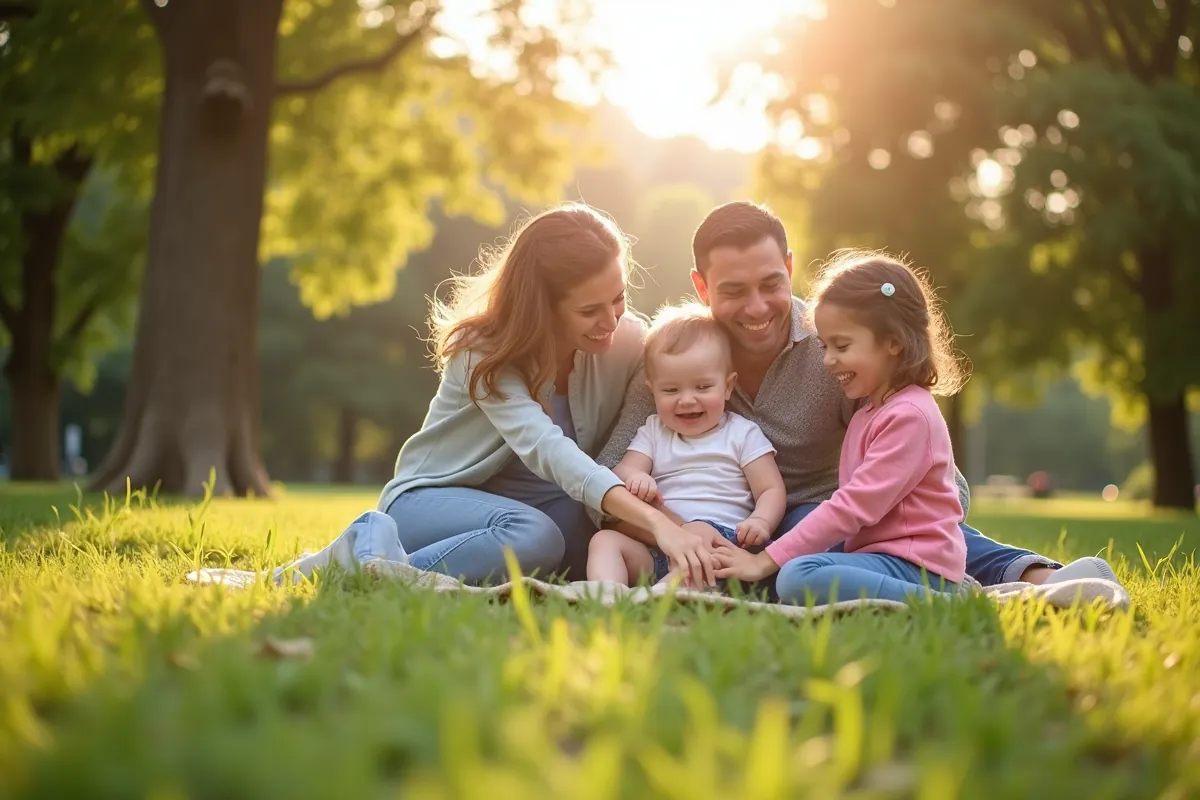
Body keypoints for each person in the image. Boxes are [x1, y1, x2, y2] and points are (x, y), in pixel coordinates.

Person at [592, 201, 1118, 589]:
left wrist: (870, 516)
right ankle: (1017, 580)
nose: (757, 308)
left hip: (839, 516)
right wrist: (678, 528)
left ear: (791, 269)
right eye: (733, 291)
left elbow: (939, 491)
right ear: (702, 288)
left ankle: (1032, 576)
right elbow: (609, 477)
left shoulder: (837, 344)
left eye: (770, 284)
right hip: (724, 522)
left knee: (816, 525)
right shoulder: (678, 356)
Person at [372, 204, 717, 586]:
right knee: (533, 537)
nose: (611, 321)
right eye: (589, 310)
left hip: (548, 510)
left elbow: (684, 380)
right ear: (541, 308)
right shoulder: (483, 352)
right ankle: (369, 557)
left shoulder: (630, 341)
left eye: (617, 298)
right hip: (433, 502)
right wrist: (653, 521)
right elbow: (548, 448)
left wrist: (690, 531)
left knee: (594, 544)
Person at [713, 253, 967, 603]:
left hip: (918, 566)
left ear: (893, 342)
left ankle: (945, 601)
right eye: (824, 346)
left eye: (842, 346)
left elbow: (852, 507)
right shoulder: (869, 413)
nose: (829, 360)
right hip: (878, 559)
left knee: (796, 577)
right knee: (798, 571)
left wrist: (762, 562)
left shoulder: (910, 415)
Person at [586, 304, 786, 585]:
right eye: (671, 390)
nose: (687, 400)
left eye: (703, 387)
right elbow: (623, 471)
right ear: (651, 389)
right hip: (661, 542)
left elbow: (770, 488)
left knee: (701, 535)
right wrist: (637, 477)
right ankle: (608, 597)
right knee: (605, 540)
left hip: (722, 541)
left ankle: (661, 600)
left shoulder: (742, 433)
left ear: (728, 387)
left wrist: (761, 522)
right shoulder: (654, 430)